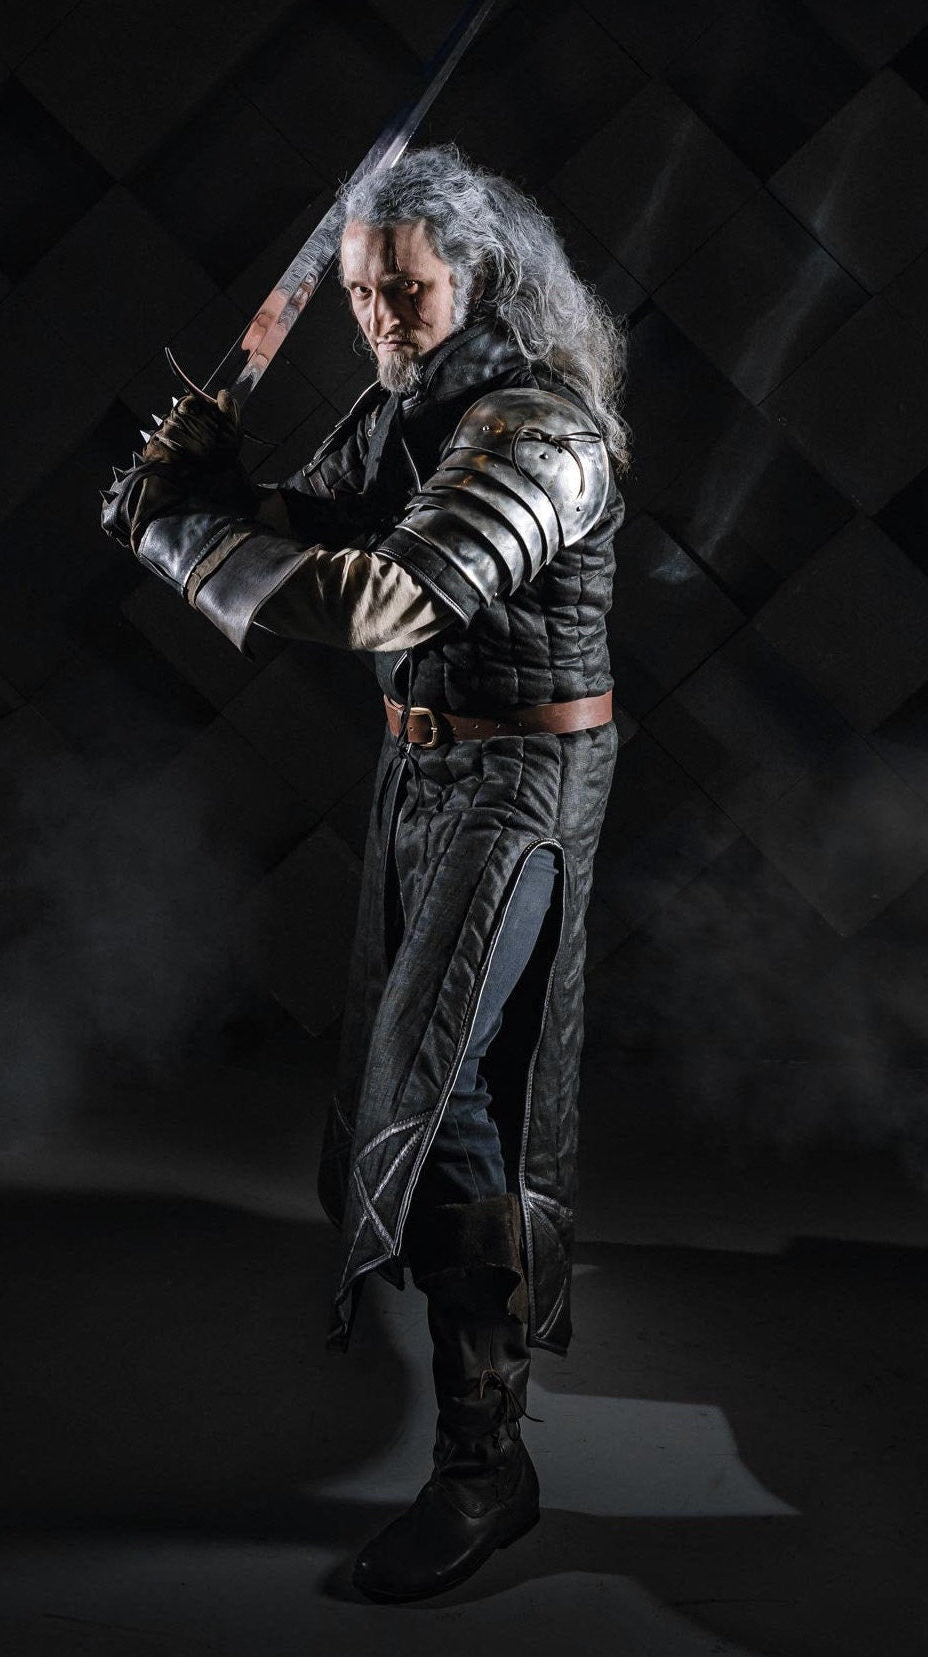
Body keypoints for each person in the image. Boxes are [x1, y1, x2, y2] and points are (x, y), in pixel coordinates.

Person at [100, 144, 629, 1603]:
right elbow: (315, 521)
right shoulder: (412, 406)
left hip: (519, 786)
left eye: (407, 290)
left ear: (478, 281)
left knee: (445, 1097)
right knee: (420, 1090)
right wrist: (205, 487)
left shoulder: (542, 432)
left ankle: (483, 1468)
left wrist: (176, 537)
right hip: (423, 776)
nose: (382, 318)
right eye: (361, 293)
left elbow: (390, 594)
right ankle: (485, 1449)